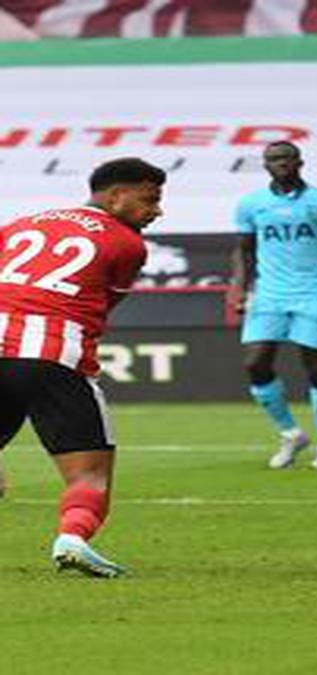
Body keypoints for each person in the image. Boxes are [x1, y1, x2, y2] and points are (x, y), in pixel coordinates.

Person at [0, 157, 166, 577]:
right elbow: (105, 305)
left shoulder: (19, 225)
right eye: (149, 200)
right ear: (116, 196)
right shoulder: (127, 243)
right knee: (90, 476)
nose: (156, 211)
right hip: (52, 356)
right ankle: (72, 540)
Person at [229, 141, 317, 470]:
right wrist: (239, 287)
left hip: (314, 292)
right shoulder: (251, 204)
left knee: (316, 368)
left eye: (286, 157)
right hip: (269, 294)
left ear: (300, 162)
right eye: (273, 159)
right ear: (266, 165)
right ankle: (291, 433)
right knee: (255, 363)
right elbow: (243, 250)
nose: (281, 163)